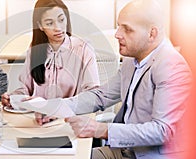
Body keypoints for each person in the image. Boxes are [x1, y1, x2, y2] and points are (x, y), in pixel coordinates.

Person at [63, 0, 193, 158]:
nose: (117, 34)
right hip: (126, 151)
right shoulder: (131, 61)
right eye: (119, 26)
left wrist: (100, 129)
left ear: (152, 34)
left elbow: (162, 131)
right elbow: (101, 96)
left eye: (127, 29)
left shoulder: (172, 66)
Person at [1, 0, 100, 125]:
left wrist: (56, 108)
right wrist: (13, 98)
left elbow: (92, 96)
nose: (58, 28)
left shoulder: (83, 49)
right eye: (49, 23)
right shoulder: (35, 50)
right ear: (40, 26)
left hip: (71, 122)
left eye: (61, 20)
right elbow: (26, 89)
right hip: (38, 121)